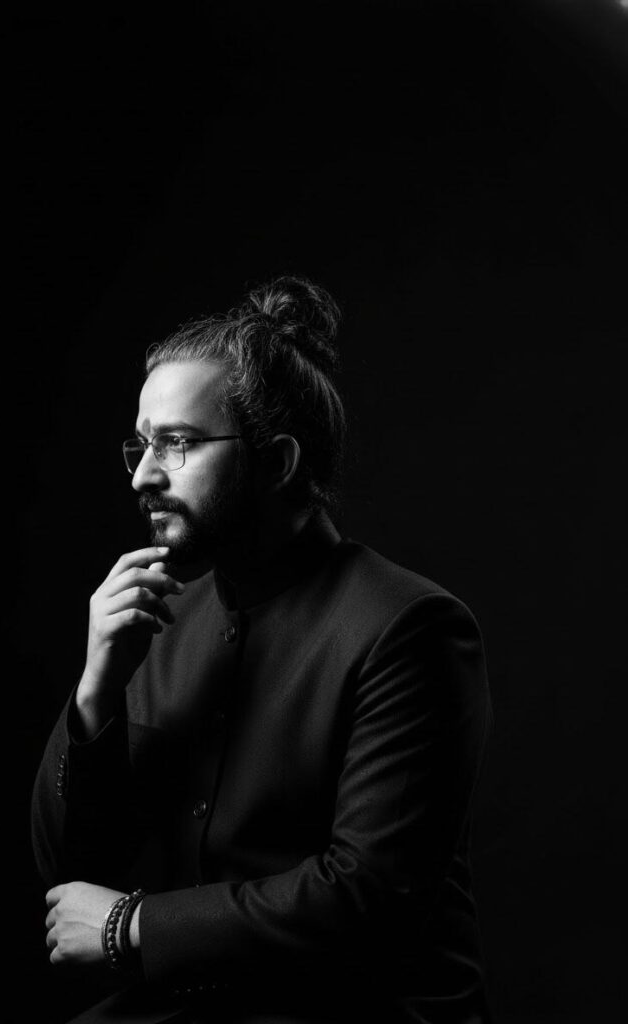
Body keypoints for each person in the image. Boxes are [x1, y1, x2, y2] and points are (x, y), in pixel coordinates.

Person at [32, 276, 493, 1023]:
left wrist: (132, 926)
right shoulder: (155, 620)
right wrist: (95, 693)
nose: (144, 475)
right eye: (141, 445)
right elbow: (67, 878)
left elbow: (368, 893)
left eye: (178, 443)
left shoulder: (411, 627)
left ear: (277, 462)